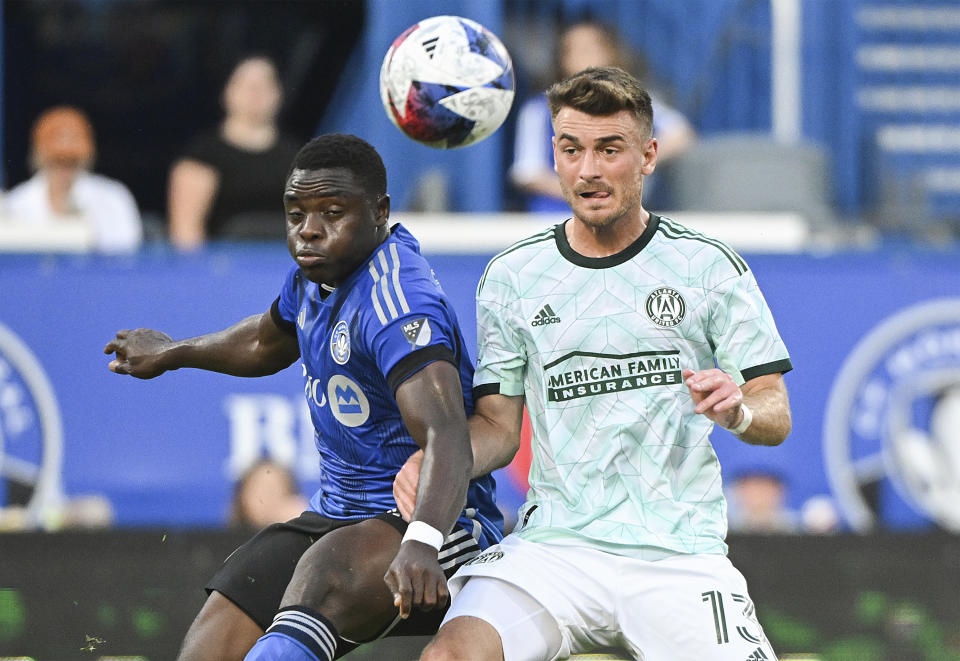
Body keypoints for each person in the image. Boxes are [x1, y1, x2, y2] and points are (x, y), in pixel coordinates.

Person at [396, 66, 793, 661]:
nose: (589, 170)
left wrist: (738, 411)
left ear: (648, 155)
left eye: (610, 149)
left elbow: (775, 410)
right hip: (554, 549)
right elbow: (500, 431)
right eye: (571, 149)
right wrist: (442, 460)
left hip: (676, 553)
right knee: (450, 656)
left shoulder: (709, 267)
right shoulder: (512, 277)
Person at [105, 133, 503, 661]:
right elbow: (264, 341)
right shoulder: (316, 277)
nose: (309, 231)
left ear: (379, 212)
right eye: (296, 214)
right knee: (226, 612)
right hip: (337, 512)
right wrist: (174, 351)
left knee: (323, 575)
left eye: (332, 213)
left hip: (437, 523)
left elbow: (447, 433)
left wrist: (423, 540)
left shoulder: (397, 303)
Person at [509, 19, 695, 213]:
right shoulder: (539, 109)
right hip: (556, 217)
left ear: (610, 53)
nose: (586, 57)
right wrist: (589, 192)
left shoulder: (633, 102)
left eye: (593, 48)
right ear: (562, 59)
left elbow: (680, 132)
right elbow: (528, 173)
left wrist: (634, 166)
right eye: (576, 50)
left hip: (617, 223)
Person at [167, 55, 301, 249]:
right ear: (227, 91)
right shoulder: (203, 155)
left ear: (278, 93)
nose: (256, 93)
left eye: (265, 84)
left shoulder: (298, 156)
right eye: (246, 84)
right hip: (224, 269)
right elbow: (186, 233)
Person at [4, 105, 143, 254]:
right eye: (57, 161)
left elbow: (128, 257)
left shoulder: (114, 198)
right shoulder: (16, 204)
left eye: (71, 161)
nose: (64, 170)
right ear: (38, 154)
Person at [228, 458, 309, 530]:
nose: (267, 499)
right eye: (259, 491)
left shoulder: (300, 536)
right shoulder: (224, 542)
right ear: (242, 497)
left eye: (274, 491)